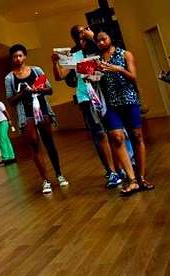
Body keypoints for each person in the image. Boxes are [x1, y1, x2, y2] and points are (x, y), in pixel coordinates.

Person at [51, 25, 121, 188]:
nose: (83, 35)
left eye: (85, 32)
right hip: (85, 97)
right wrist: (55, 63)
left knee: (115, 132)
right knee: (100, 134)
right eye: (79, 34)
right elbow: (60, 76)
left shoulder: (98, 48)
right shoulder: (73, 55)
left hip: (105, 94)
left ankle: (121, 166)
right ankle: (111, 171)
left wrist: (92, 37)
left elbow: (110, 54)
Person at [96, 31, 154, 196]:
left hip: (129, 100)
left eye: (103, 39)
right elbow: (96, 80)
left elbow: (133, 77)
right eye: (98, 41)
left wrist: (118, 69)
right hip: (110, 104)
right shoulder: (97, 60)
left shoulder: (125, 54)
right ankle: (132, 179)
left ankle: (141, 177)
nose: (101, 43)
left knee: (137, 136)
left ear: (111, 38)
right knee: (117, 137)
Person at [6, 44, 69, 194]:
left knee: (49, 142)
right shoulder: (9, 78)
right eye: (15, 56)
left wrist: (39, 89)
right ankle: (45, 180)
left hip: (43, 110)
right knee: (34, 144)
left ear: (25, 56)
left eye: (20, 55)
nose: (18, 59)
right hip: (26, 114)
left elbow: (50, 89)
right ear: (12, 59)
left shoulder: (36, 70)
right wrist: (23, 93)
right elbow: (10, 100)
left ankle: (59, 174)